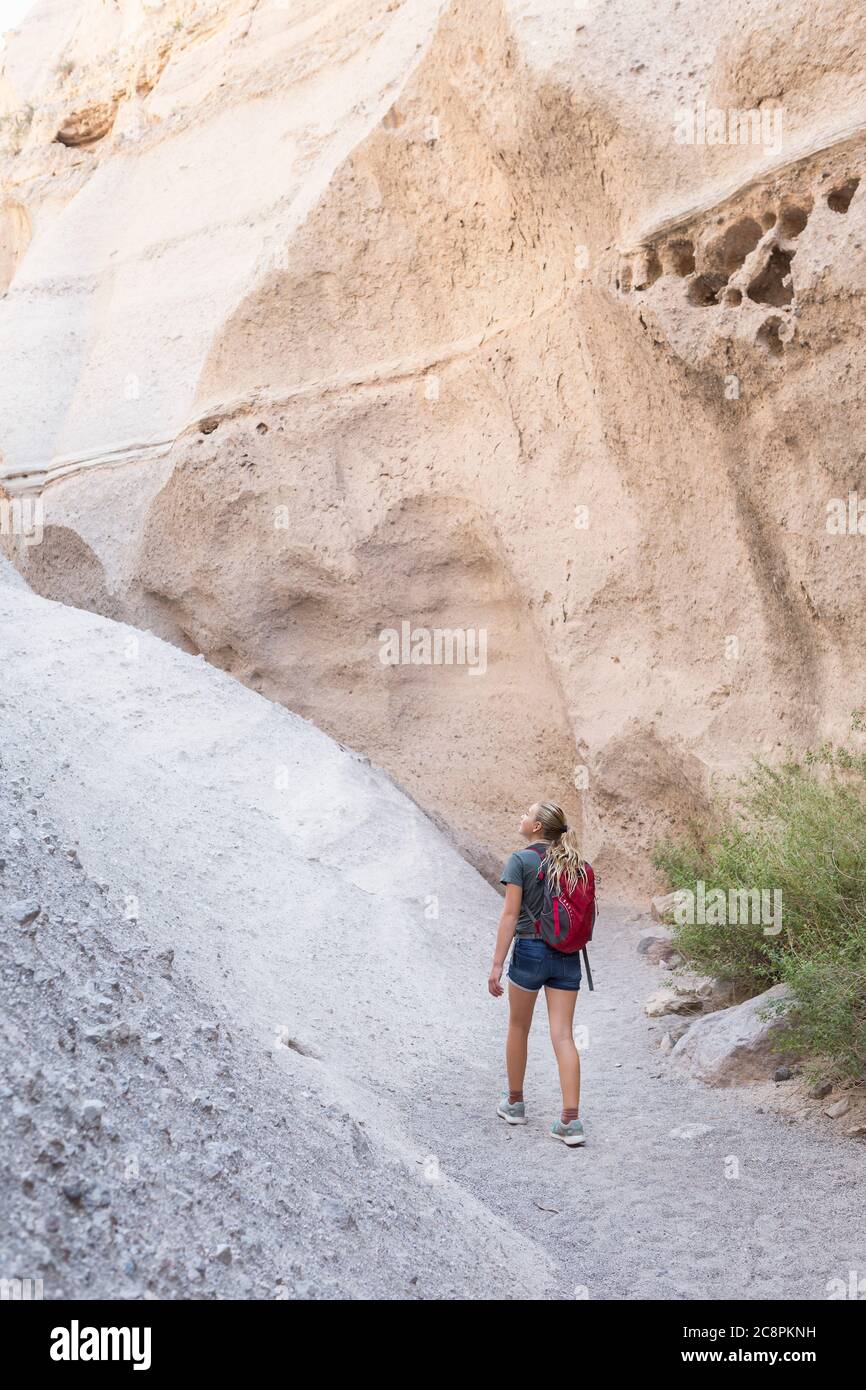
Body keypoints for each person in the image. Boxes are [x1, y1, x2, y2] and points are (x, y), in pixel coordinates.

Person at [488, 801, 589, 1147]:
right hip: (567, 956)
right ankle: (571, 1122)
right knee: (563, 1036)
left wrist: (497, 965)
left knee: (519, 1026)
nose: (521, 816)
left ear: (536, 828)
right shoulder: (576, 864)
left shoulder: (520, 861)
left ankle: (515, 1103)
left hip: (530, 950)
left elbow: (509, 915)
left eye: (526, 813)